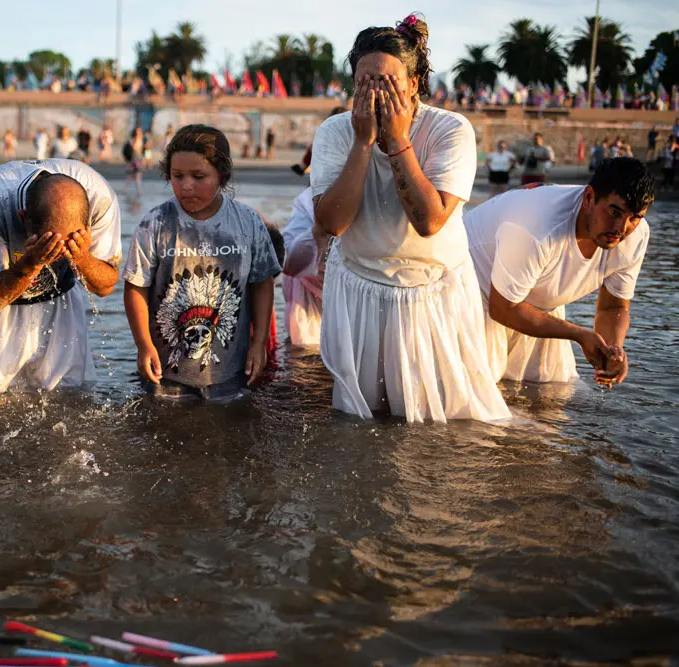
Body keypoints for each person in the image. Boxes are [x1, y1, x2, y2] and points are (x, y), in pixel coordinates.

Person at [310, 14, 509, 423]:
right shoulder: (335, 132)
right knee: (359, 424)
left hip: (433, 291)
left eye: (388, 82)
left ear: (414, 85)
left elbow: (429, 221)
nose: (376, 93)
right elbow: (332, 224)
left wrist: (398, 138)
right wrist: (364, 142)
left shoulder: (450, 130)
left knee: (448, 421)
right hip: (359, 287)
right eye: (365, 82)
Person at [0, 158, 122, 404]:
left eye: (67, 244)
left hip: (58, 302)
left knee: (65, 397)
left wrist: (83, 258)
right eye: (51, 245)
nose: (58, 255)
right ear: (23, 218)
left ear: (87, 225)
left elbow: (105, 287)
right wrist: (31, 263)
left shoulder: (101, 199)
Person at [123, 124, 281, 400]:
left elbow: (262, 284)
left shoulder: (247, 222)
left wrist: (258, 345)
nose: (186, 186)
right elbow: (136, 288)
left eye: (198, 176)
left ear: (222, 174)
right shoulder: (155, 223)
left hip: (230, 372)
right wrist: (143, 345)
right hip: (165, 374)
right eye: (177, 176)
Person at [465, 158, 655, 386]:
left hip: (534, 300)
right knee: (476, 398)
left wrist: (613, 349)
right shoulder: (536, 227)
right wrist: (579, 335)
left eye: (635, 217)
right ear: (589, 198)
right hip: (474, 293)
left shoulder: (635, 235)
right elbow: (502, 308)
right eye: (615, 212)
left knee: (547, 396)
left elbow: (612, 306)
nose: (622, 229)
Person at [281, 186, 331, 347]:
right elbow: (292, 263)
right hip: (308, 293)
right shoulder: (308, 200)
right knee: (306, 354)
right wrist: (318, 231)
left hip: (362, 289)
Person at [122, 127, 144, 196]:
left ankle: (126, 189)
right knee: (135, 176)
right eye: (139, 132)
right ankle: (139, 191)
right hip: (133, 161)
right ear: (135, 133)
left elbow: (141, 151)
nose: (140, 133)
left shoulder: (140, 140)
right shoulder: (133, 141)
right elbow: (135, 149)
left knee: (134, 176)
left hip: (138, 160)